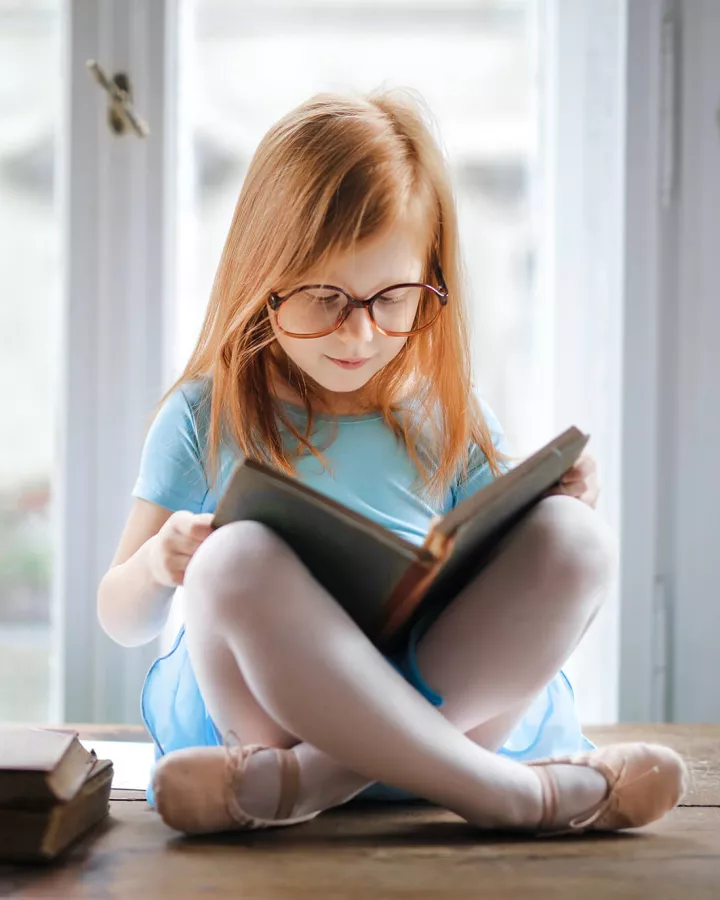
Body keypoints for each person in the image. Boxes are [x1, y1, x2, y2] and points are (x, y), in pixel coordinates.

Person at [97, 90, 686, 837]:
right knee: (231, 559)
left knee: (577, 539)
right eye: (322, 298)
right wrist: (159, 563)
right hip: (269, 719)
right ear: (261, 276)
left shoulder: (445, 410)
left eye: (394, 298)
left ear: (430, 283)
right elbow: (119, 618)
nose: (361, 333)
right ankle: (511, 796)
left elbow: (515, 565)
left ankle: (314, 782)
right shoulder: (205, 413)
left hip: (432, 715)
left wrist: (561, 498)